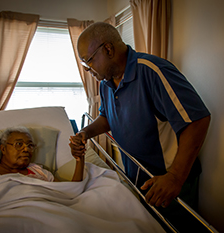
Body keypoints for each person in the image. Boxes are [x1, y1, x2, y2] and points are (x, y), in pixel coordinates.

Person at [69, 22, 211, 228]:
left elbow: (197, 120)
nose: (88, 70)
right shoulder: (106, 83)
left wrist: (174, 177)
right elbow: (107, 117)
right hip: (137, 175)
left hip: (167, 180)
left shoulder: (152, 71)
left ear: (108, 49)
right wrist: (85, 133)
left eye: (89, 61)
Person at [0, 126, 84, 188]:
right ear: (3, 148)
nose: (26, 149)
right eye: (19, 144)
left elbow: (70, 191)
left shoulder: (39, 172)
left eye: (30, 145)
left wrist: (79, 160)